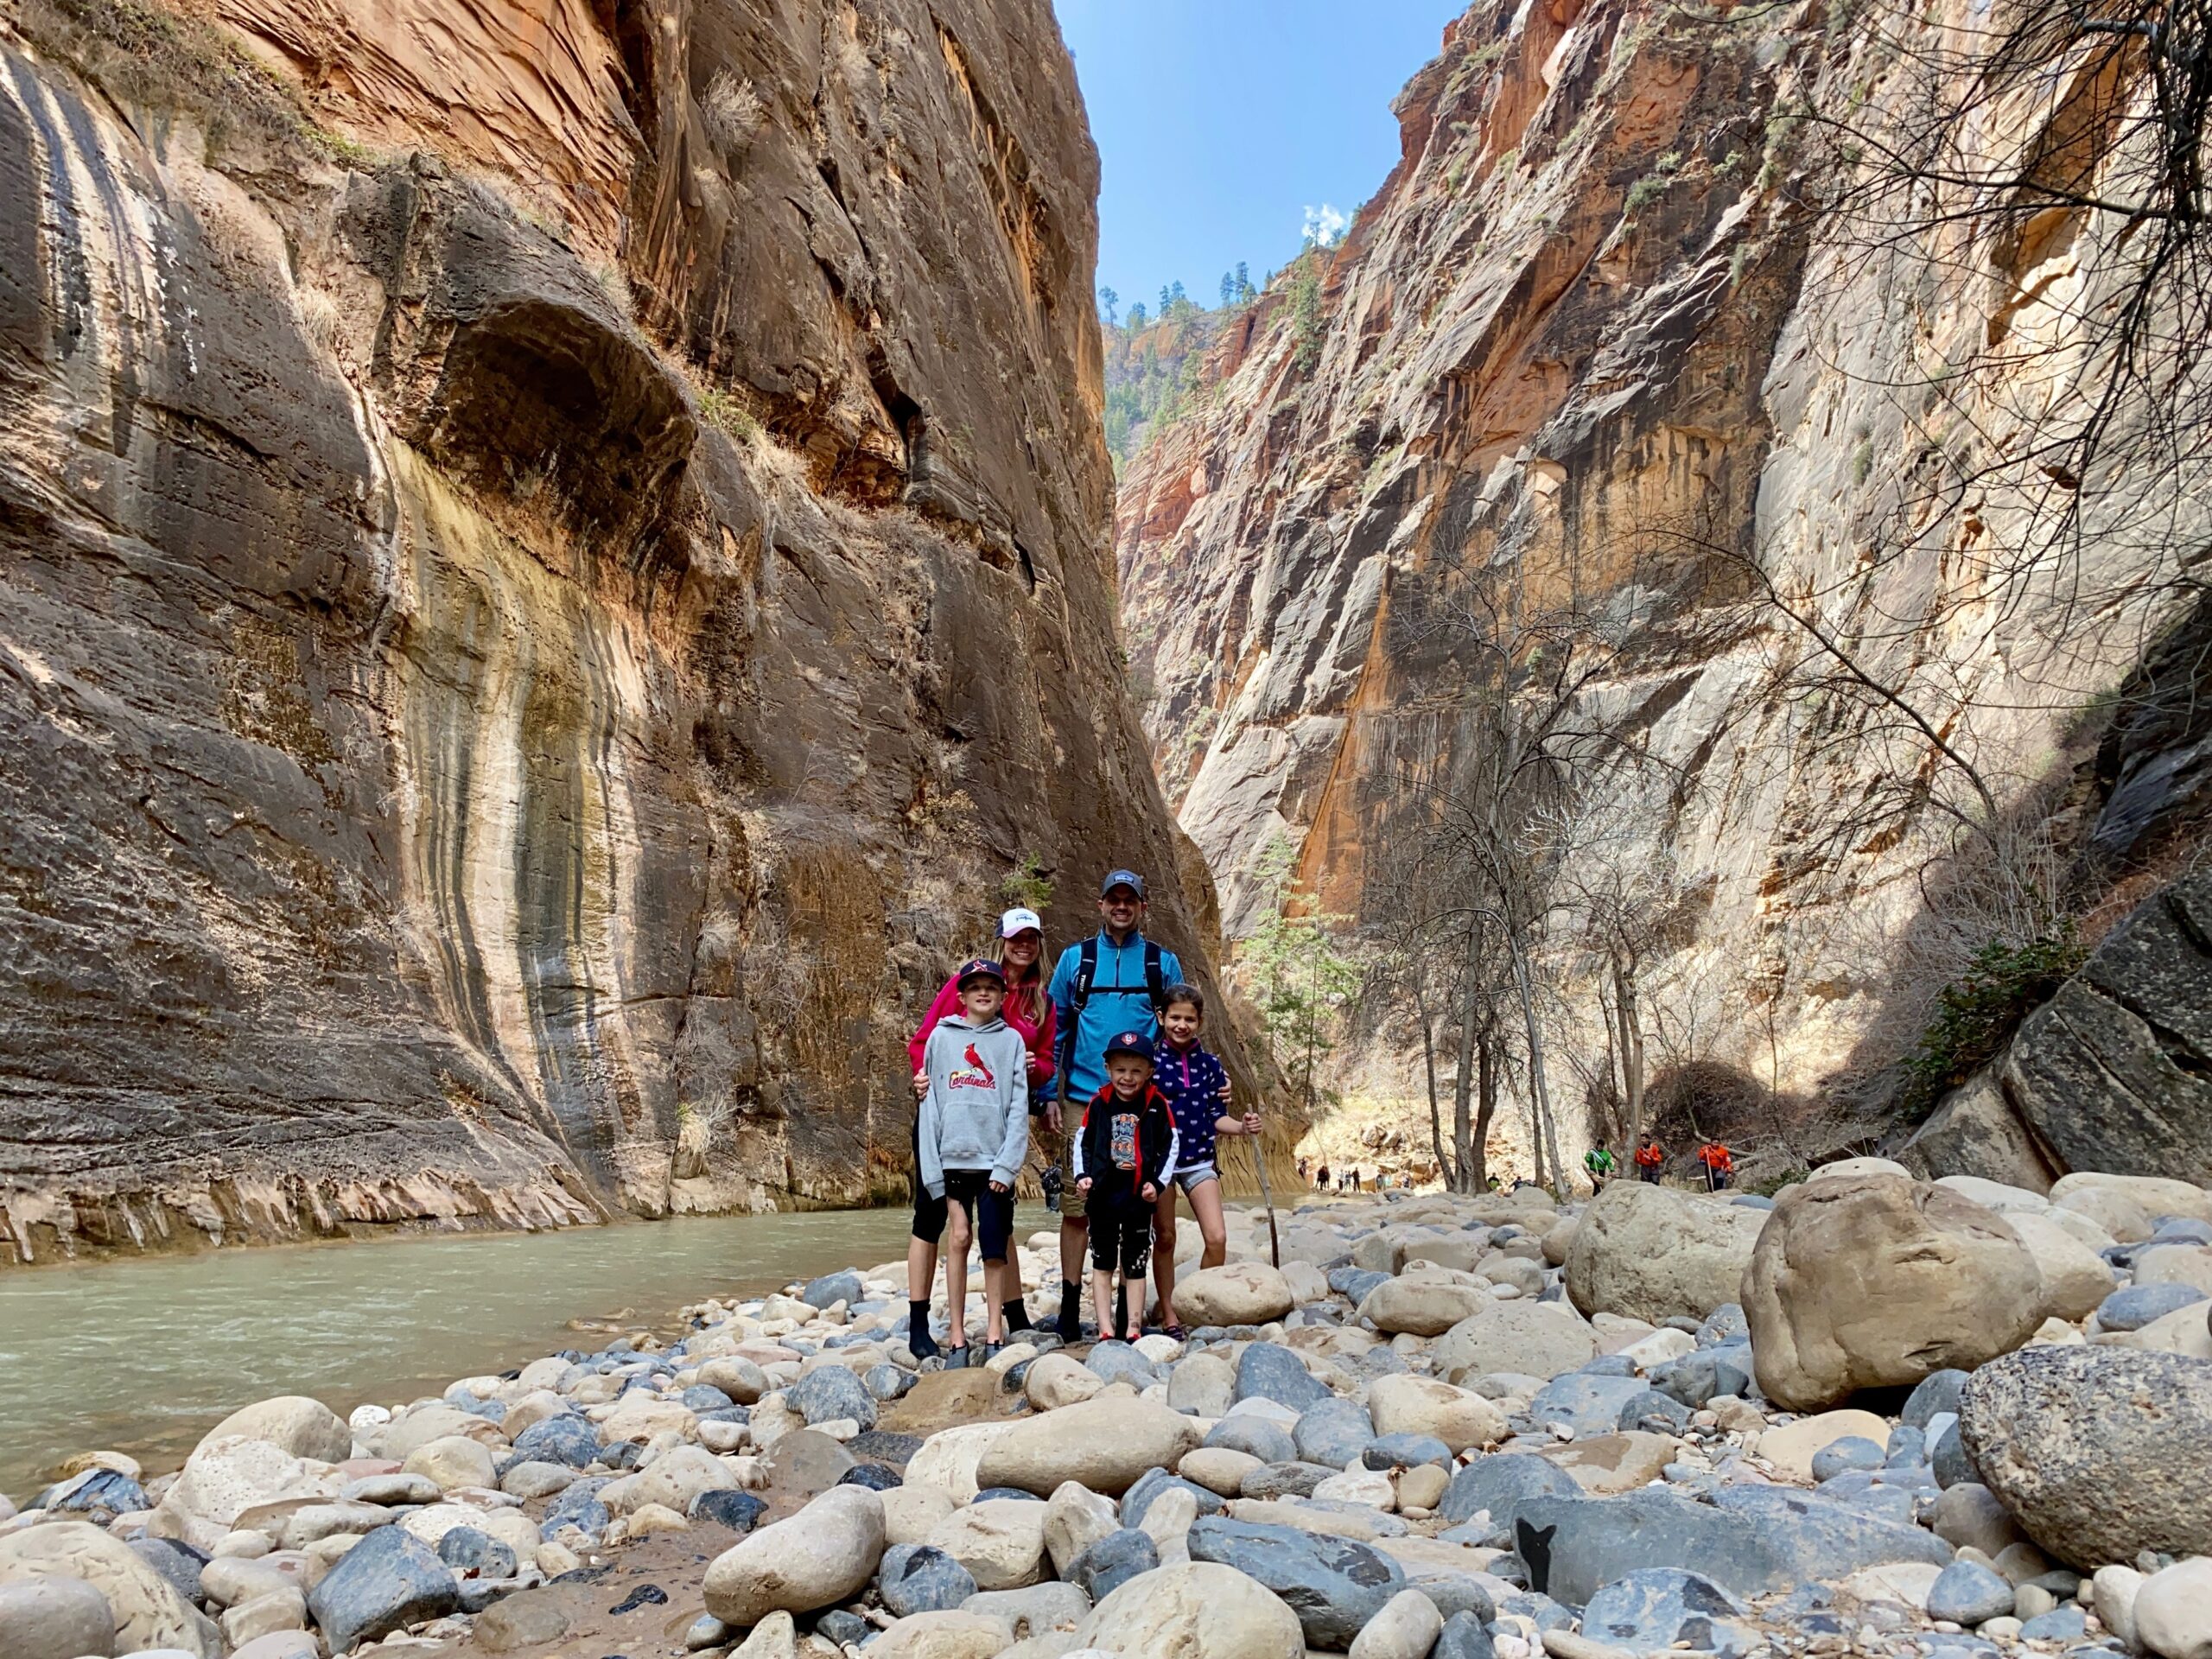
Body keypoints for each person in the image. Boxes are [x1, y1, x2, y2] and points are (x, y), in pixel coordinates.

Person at [1046, 869, 1188, 1339]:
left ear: (1143, 907)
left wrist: (1205, 1083)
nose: (1121, 906)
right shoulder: (1076, 961)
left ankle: (1137, 1310)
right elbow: (1057, 1028)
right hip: (1086, 1100)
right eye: (1114, 899)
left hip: (1146, 1104)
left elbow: (1177, 1033)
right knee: (1077, 1204)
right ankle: (1071, 1307)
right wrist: (1049, 1092)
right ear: (1100, 904)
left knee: (1143, 1200)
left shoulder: (1161, 964)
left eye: (1130, 900)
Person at [908, 908, 1056, 1342]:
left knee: (997, 1218)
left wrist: (1035, 1072)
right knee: (930, 1216)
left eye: (1031, 938)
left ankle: (1011, 1315)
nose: (1023, 945)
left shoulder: (1040, 999)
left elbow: (1048, 1060)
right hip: (947, 1114)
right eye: (1016, 937)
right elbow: (926, 1041)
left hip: (996, 1120)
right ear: (1002, 939)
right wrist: (924, 1080)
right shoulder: (966, 983)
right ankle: (919, 1322)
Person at [916, 958, 1030, 1363]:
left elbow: (1018, 1107)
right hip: (952, 1160)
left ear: (1003, 996)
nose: (984, 992)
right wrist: (934, 1173)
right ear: (961, 996)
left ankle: (996, 1331)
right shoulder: (941, 1040)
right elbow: (928, 1107)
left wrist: (1007, 1166)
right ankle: (959, 1336)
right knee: (959, 1236)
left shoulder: (1011, 1041)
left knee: (995, 1247)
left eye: (992, 987)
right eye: (975, 987)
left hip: (993, 1161)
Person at [1149, 983, 1257, 1338]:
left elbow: (1216, 1116)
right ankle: (1169, 1314)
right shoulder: (1149, 1062)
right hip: (1160, 1162)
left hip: (1199, 1160)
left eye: (1190, 1019)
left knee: (1217, 1237)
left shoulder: (1211, 1066)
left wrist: (1241, 1127)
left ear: (1200, 1022)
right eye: (1175, 1017)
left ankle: (1200, 1301)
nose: (1182, 1025)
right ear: (1161, 1017)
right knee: (1165, 1237)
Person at [1073, 1030, 1177, 1342]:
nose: (1127, 1078)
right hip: (1103, 1197)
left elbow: (1170, 1145)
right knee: (1102, 1262)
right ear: (1108, 1069)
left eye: (1136, 1071)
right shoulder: (1099, 1104)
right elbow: (1083, 1143)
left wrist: (1158, 1183)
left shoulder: (1157, 1104)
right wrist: (1082, 1177)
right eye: (1120, 1070)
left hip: (1138, 1199)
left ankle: (1132, 1325)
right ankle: (1105, 1327)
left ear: (1149, 1072)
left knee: (1135, 1263)